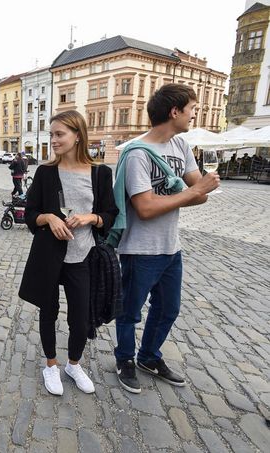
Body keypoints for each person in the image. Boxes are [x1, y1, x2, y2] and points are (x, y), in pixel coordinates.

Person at [114, 84, 220, 394]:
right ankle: (125, 360)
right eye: (191, 109)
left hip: (171, 247)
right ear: (174, 112)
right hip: (140, 249)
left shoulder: (181, 146)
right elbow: (145, 208)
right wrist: (193, 191)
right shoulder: (136, 154)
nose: (194, 115)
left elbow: (200, 196)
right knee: (130, 312)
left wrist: (194, 191)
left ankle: (148, 356)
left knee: (168, 309)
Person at [18, 110, 118, 396]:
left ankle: (74, 364)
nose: (54, 140)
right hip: (49, 255)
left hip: (83, 255)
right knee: (48, 310)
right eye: (52, 135)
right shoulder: (46, 173)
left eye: (59, 134)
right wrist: (48, 218)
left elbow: (110, 214)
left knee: (80, 316)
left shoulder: (100, 173)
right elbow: (30, 214)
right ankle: (51, 364)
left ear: (78, 136)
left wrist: (90, 218)